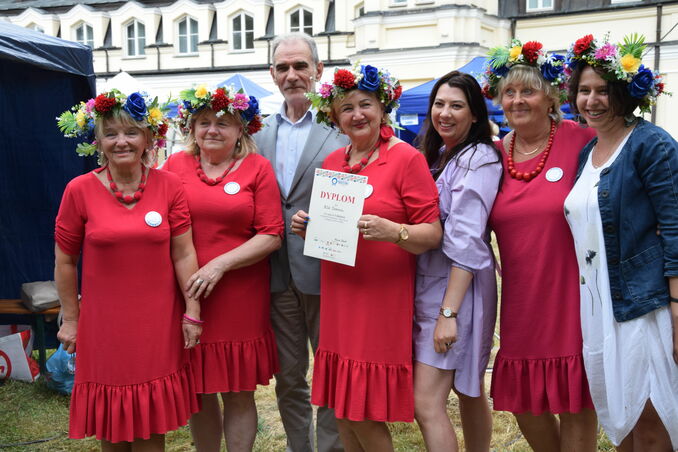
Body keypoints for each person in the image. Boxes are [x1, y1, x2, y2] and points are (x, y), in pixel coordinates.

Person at [293, 63, 442, 451]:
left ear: (382, 108)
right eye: (347, 108)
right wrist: (311, 226)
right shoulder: (334, 163)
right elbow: (335, 228)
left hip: (380, 300)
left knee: (363, 412)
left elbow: (433, 233)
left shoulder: (406, 157)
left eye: (366, 105)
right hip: (340, 293)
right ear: (334, 116)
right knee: (342, 408)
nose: (357, 114)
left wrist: (394, 232)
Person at [54, 90, 201, 451]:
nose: (122, 142)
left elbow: (184, 254)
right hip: (104, 325)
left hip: (157, 323)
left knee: (152, 422)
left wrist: (193, 311)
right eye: (111, 134)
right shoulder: (79, 190)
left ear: (149, 138)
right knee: (112, 421)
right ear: (98, 141)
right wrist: (71, 319)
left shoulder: (170, 186)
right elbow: (64, 260)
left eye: (131, 132)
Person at [481, 40, 599, 451]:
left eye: (527, 91)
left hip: (574, 296)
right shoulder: (493, 156)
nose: (517, 101)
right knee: (525, 404)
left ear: (550, 96)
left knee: (576, 401)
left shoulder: (583, 141)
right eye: (509, 92)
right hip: (521, 302)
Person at [564, 33, 678, 451]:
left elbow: (676, 229)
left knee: (652, 422)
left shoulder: (652, 145)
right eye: (584, 91)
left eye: (604, 91)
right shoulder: (588, 152)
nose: (592, 100)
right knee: (621, 420)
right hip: (599, 307)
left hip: (646, 306)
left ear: (625, 93)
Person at [163, 85, 283, 452]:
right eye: (203, 122)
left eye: (223, 123)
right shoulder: (174, 166)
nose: (212, 129)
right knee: (198, 388)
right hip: (188, 294)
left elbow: (272, 234)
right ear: (191, 127)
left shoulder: (257, 168)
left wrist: (219, 265)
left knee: (238, 390)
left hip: (240, 295)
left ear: (241, 130)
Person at [253, 32, 348, 452]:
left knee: (330, 372)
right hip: (275, 273)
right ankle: (299, 447)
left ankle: (330, 448)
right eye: (283, 68)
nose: (292, 75)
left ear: (318, 71)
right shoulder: (256, 134)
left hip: (327, 271)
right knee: (289, 375)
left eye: (300, 66)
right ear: (273, 75)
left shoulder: (342, 127)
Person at [413, 71, 502, 452]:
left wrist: (448, 313)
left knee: (426, 401)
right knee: (469, 390)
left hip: (457, 288)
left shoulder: (479, 158)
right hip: (431, 283)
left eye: (456, 106)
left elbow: (466, 240)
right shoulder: (439, 155)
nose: (444, 113)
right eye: (439, 103)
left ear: (476, 115)